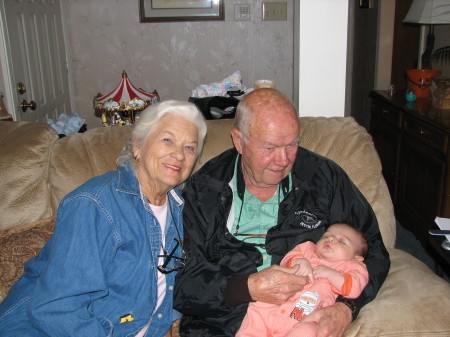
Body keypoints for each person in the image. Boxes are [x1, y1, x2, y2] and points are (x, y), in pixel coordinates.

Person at [174, 88, 390, 337]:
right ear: (239, 140)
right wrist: (248, 288)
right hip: (223, 323)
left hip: (302, 318)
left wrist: (347, 307)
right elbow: (183, 283)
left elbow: (373, 251)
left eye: (292, 144)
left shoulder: (323, 178)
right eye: (269, 148)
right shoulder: (205, 189)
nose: (283, 160)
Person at [0, 100, 207, 337]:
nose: (179, 154)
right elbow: (57, 309)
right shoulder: (94, 204)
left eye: (190, 147)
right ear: (138, 145)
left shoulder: (182, 211)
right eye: (167, 140)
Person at [236, 223, 369, 337]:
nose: (331, 240)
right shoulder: (307, 248)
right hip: (275, 306)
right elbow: (287, 260)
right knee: (258, 305)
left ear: (356, 257)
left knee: (309, 331)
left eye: (342, 241)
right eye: (326, 236)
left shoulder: (352, 267)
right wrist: (300, 261)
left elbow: (354, 289)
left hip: (304, 318)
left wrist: (331, 274)